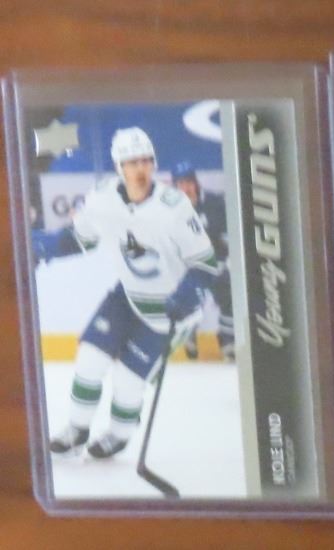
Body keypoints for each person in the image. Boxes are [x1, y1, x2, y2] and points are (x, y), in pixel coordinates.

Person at [32, 127, 218, 459]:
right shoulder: (102, 199)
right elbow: (78, 239)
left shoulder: (175, 206)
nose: (141, 168)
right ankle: (76, 428)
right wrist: (42, 247)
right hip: (128, 296)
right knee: (89, 358)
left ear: (154, 163)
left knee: (128, 380)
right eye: (132, 162)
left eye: (146, 160)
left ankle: (119, 434)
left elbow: (205, 263)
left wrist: (188, 293)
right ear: (120, 166)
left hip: (169, 311)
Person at [171, 163, 235, 362]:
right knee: (185, 294)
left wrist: (229, 262)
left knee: (229, 292)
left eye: (189, 182)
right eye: (181, 183)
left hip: (219, 264)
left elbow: (231, 235)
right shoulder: (170, 211)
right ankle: (188, 336)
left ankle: (228, 340)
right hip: (191, 267)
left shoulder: (215, 203)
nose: (186, 188)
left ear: (196, 183)